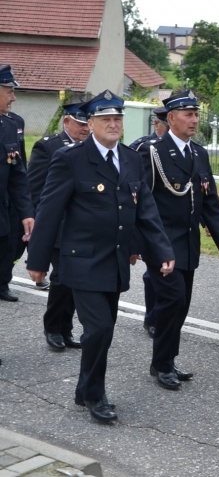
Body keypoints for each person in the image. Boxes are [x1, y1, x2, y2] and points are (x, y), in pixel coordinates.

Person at [26, 89, 175, 423]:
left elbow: (146, 210)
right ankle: (95, 395)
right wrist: (36, 262)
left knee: (100, 331)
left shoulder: (131, 158)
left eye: (117, 119)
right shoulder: (70, 159)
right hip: (80, 260)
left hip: (115, 261)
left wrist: (162, 249)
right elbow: (49, 212)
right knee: (100, 329)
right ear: (90, 123)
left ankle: (83, 387)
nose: (113, 124)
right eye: (105, 119)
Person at [138, 90, 219, 391]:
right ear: (171, 118)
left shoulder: (198, 153)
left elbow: (210, 199)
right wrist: (136, 244)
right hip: (162, 242)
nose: (194, 120)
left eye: (196, 114)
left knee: (182, 305)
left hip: (188, 243)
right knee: (172, 300)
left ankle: (166, 359)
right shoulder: (152, 153)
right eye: (188, 114)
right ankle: (162, 364)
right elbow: (140, 202)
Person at [27, 102, 91, 351]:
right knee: (63, 278)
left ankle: (66, 328)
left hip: (82, 228)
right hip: (56, 226)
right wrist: (35, 225)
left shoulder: (90, 149)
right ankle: (53, 327)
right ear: (66, 122)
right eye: (80, 124)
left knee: (74, 280)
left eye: (88, 124)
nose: (85, 129)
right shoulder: (49, 146)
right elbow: (35, 190)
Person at [130, 106, 169, 337]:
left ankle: (165, 317)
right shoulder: (144, 149)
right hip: (150, 220)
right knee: (154, 272)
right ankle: (152, 317)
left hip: (173, 221)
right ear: (158, 125)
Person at [0, 64, 34, 305]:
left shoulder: (10, 125)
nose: (13, 97)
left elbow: (18, 176)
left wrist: (25, 213)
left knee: (5, 248)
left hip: (2, 207)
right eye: (9, 91)